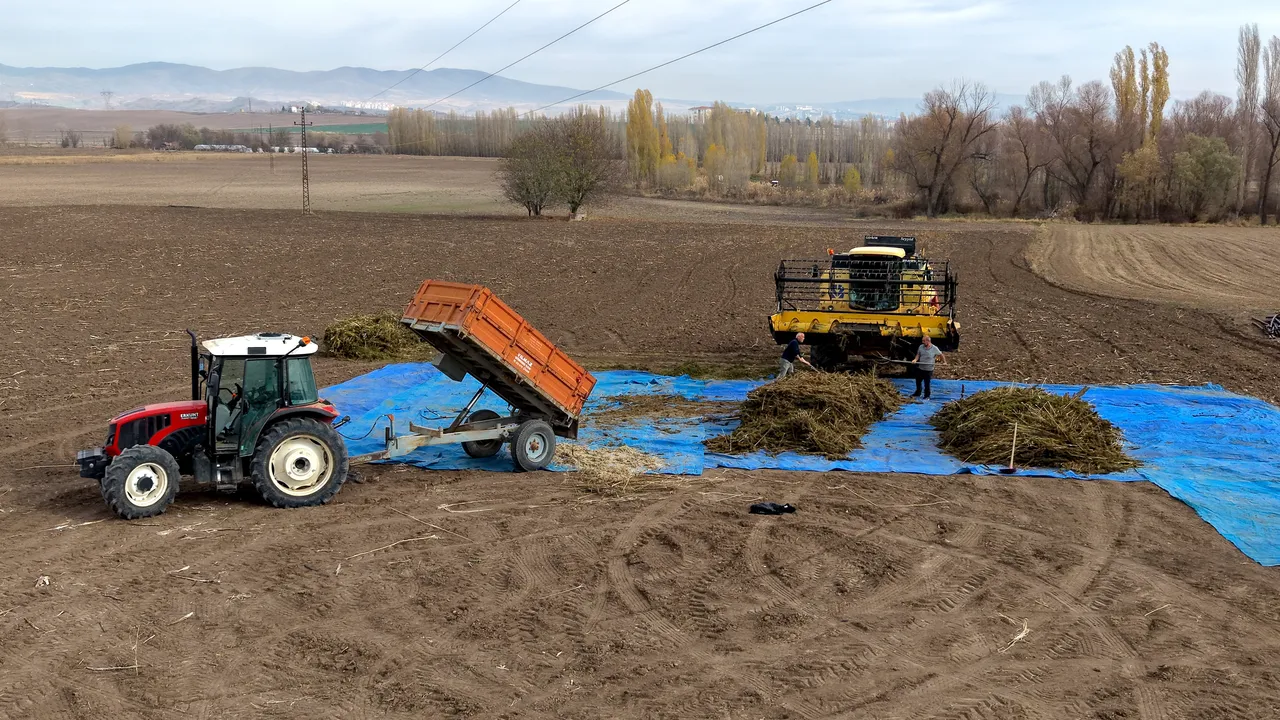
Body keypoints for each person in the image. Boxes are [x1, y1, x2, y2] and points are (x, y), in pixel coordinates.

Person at [910, 335, 947, 399]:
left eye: (924, 341)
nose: (922, 342)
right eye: (922, 341)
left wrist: (944, 362)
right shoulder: (921, 347)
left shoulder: (934, 348)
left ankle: (927, 396)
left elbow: (941, 355)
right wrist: (915, 359)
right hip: (921, 368)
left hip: (928, 369)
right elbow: (918, 354)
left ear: (928, 341)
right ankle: (918, 393)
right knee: (918, 381)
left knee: (927, 383)